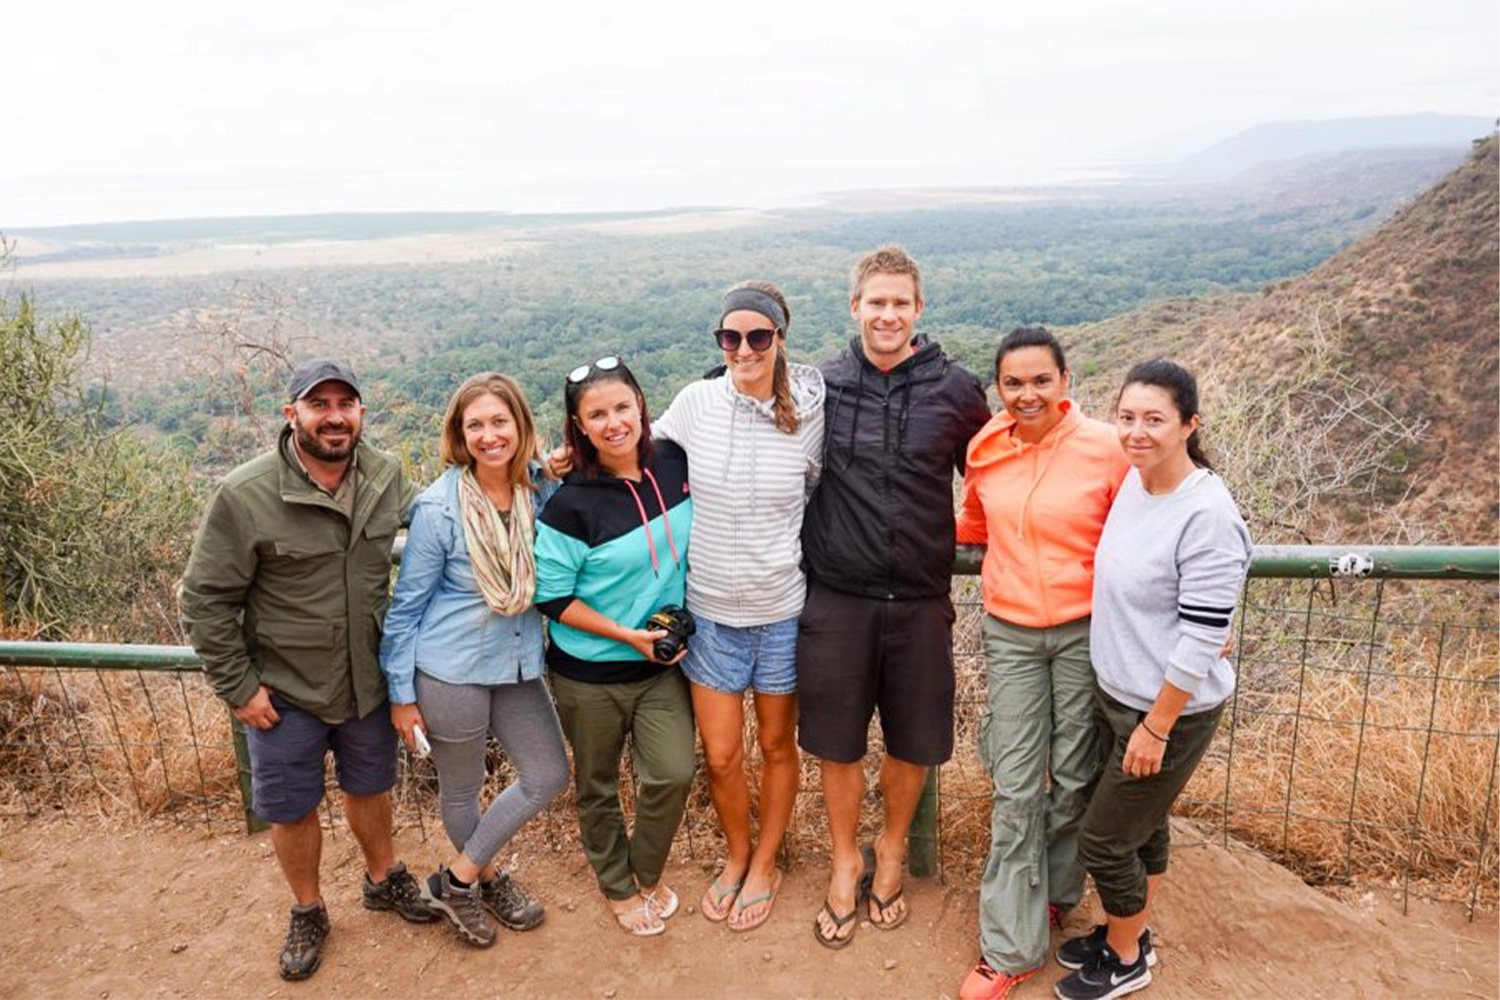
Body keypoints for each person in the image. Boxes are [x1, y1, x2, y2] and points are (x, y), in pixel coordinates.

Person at [180, 358, 434, 982]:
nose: (334, 416)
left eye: (345, 404)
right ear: (291, 414)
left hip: (367, 681)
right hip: (284, 689)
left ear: (361, 414)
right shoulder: (245, 494)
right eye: (318, 405)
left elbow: (437, 516)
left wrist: (534, 474)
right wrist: (238, 687)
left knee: (371, 787)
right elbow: (205, 598)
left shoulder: (385, 474)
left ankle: (384, 879)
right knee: (291, 808)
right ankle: (308, 908)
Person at [799, 245, 991, 948]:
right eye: (875, 302)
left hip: (918, 598)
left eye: (900, 303)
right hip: (838, 596)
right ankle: (845, 858)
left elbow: (1000, 470)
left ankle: (892, 848)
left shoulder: (957, 389)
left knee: (915, 740)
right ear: (855, 307)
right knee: (839, 743)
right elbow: (731, 417)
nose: (887, 314)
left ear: (918, 309)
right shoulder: (819, 384)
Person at [1053, 359, 1252, 1000]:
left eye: (1155, 420)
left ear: (1189, 425)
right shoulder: (1138, 483)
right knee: (1145, 827)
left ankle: (1127, 958)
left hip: (1166, 712)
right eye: (1128, 417)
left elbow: (1200, 634)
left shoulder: (1207, 513)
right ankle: (1126, 930)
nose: (1137, 432)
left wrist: (1157, 727)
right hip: (1120, 693)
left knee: (1105, 839)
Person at [953, 328, 1130, 1000]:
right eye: (1012, 383)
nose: (1026, 395)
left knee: (1078, 772)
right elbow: (972, 526)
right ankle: (1010, 948)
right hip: (1013, 633)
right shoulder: (986, 447)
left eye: (1040, 381)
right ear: (998, 387)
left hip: (1089, 631)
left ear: (1065, 379)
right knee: (1018, 783)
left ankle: (1055, 893)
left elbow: (1148, 532)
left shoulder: (1108, 447)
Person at [651, 281, 825, 932]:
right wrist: (560, 460)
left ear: (780, 339)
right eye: (731, 337)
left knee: (779, 747)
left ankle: (768, 862)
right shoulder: (696, 403)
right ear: (719, 341)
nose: (744, 349)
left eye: (759, 336)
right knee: (721, 755)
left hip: (782, 609)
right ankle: (737, 853)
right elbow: (634, 451)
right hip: (713, 610)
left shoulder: (810, 410)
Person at [378, 372, 570, 948]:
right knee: (462, 788)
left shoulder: (540, 490)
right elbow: (406, 607)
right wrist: (401, 695)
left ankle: (455, 879)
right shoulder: (439, 508)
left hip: (518, 662)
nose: (489, 435)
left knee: (548, 773)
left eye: (499, 421)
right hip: (450, 668)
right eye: (476, 425)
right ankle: (485, 879)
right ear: (460, 435)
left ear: (520, 426)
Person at [533, 356, 696, 937]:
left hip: (658, 669)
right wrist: (628, 636)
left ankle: (644, 873)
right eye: (595, 415)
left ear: (642, 407)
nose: (613, 423)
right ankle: (618, 886)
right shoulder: (569, 504)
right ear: (577, 426)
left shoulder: (674, 463)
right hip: (588, 672)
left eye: (622, 407)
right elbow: (551, 597)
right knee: (597, 785)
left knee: (672, 773)